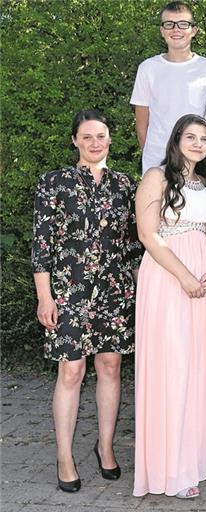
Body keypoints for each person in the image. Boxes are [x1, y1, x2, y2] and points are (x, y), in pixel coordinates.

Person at [32, 109, 141, 493]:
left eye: (101, 135)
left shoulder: (126, 185)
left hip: (115, 291)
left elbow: (134, 246)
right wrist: (44, 297)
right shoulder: (54, 183)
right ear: (75, 141)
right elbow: (42, 245)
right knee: (71, 372)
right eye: (87, 136)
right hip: (69, 291)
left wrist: (142, 293)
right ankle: (65, 456)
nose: (95, 142)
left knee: (110, 366)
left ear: (110, 139)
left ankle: (105, 447)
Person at [133, 114, 206, 499]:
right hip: (167, 278)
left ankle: (190, 461)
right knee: (170, 366)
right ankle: (166, 469)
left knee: (193, 367)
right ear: (176, 140)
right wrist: (184, 275)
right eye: (191, 137)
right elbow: (147, 233)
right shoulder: (156, 177)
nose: (198, 144)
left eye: (204, 139)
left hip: (200, 282)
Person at [131, 1, 206, 173]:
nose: (176, 29)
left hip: (197, 162)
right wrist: (150, 156)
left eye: (183, 24)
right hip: (157, 161)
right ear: (162, 30)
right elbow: (142, 125)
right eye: (169, 24)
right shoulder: (148, 68)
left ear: (194, 30)